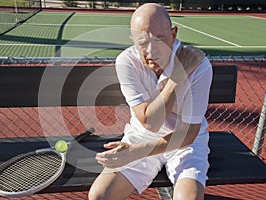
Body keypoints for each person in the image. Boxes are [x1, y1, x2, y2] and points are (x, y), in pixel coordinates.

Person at [89, 3, 212, 200]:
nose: (151, 50)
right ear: (132, 40)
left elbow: (188, 133)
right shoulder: (127, 61)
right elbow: (150, 123)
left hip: (185, 143)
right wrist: (178, 76)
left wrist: (135, 153)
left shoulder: (199, 65)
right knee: (99, 196)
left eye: (160, 39)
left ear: (174, 33)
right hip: (141, 136)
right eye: (142, 42)